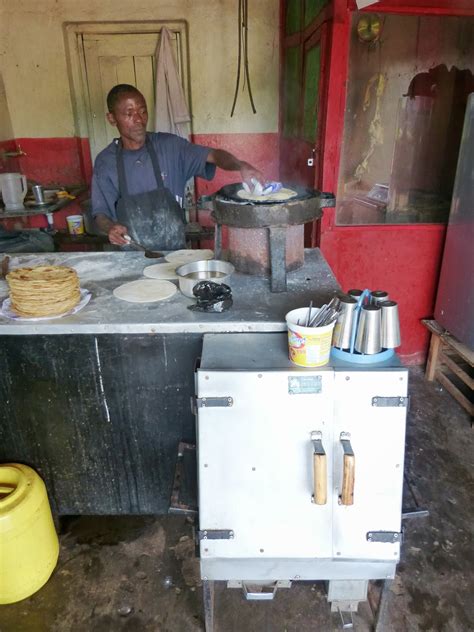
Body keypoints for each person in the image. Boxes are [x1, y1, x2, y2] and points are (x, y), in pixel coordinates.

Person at [91, 83, 264, 250]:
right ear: (112, 118)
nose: (139, 119)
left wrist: (240, 165)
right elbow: (101, 214)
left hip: (174, 258)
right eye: (129, 114)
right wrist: (110, 228)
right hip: (130, 260)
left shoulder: (171, 146)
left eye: (143, 111)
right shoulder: (106, 162)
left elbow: (214, 155)